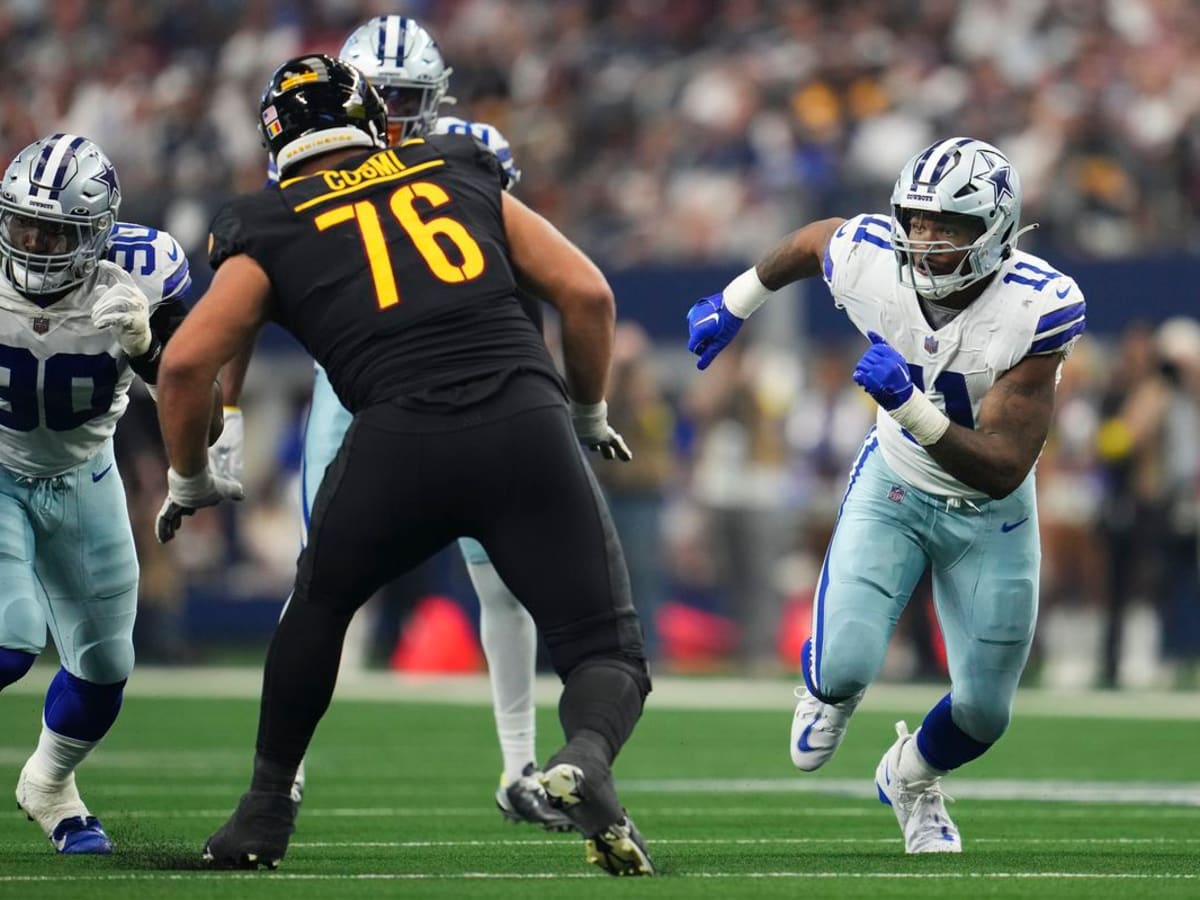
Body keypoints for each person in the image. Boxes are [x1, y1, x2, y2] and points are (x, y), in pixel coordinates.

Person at [156, 55, 654, 877]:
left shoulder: (267, 220)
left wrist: (188, 478)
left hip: (398, 442)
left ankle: (264, 812)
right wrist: (589, 413)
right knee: (606, 646)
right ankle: (588, 758)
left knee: (318, 605)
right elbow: (589, 295)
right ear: (376, 118)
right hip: (523, 423)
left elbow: (184, 368)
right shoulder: (455, 165)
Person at [205, 15, 567, 831]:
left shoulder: (471, 152)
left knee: (503, 576)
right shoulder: (312, 152)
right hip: (354, 378)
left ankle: (518, 766)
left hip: (467, 367)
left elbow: (526, 273)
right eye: (383, 98)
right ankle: (280, 773)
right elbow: (244, 297)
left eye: (410, 98)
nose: (397, 115)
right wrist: (227, 414)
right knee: (320, 575)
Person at [687, 137, 1085, 853]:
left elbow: (999, 466)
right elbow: (814, 243)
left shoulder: (1039, 307)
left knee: (985, 713)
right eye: (918, 221)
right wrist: (734, 299)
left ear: (994, 231)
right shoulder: (875, 260)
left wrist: (910, 406)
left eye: (949, 227)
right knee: (842, 666)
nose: (926, 241)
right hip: (895, 486)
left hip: (991, 513)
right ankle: (828, 689)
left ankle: (912, 778)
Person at [0, 133, 218, 854]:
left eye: (52, 231)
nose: (31, 244)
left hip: (86, 468)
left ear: (95, 232)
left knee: (104, 667)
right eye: (21, 224)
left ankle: (51, 785)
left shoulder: (146, 273)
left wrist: (149, 350)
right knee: (11, 638)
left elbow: (205, 409)